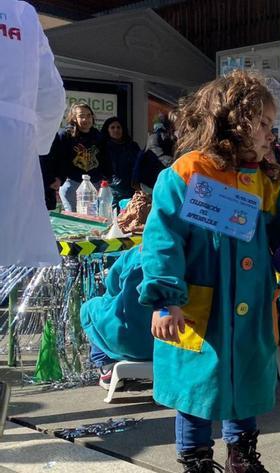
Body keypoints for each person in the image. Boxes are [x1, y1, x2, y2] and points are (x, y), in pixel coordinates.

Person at [139, 71, 280, 473]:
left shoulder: (264, 180)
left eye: (271, 126)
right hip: (199, 311)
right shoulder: (187, 173)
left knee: (245, 386)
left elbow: (278, 239)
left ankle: (241, 460)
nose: (268, 133)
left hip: (250, 309)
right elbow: (162, 240)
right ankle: (197, 471)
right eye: (262, 123)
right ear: (232, 121)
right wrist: (166, 299)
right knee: (196, 393)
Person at [0, 0, 66, 267]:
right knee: (11, 251)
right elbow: (52, 94)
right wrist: (36, 145)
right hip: (16, 144)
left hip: (19, 132)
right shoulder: (22, 12)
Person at [80, 247, 154, 389]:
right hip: (177, 340)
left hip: (127, 340)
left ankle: (105, 367)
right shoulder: (185, 253)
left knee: (90, 307)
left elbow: (112, 288)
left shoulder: (134, 254)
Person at [46, 103, 112, 212]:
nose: (86, 119)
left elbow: (106, 160)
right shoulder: (65, 135)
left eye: (89, 115)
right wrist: (57, 178)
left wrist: (107, 177)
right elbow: (58, 159)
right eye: (81, 116)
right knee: (74, 218)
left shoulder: (99, 137)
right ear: (74, 118)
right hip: (72, 183)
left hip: (94, 184)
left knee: (93, 218)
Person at [100, 117, 141, 207]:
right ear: (107, 130)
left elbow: (139, 165)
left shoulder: (132, 146)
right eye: (112, 127)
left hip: (131, 189)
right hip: (110, 189)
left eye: (119, 127)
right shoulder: (102, 147)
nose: (116, 130)